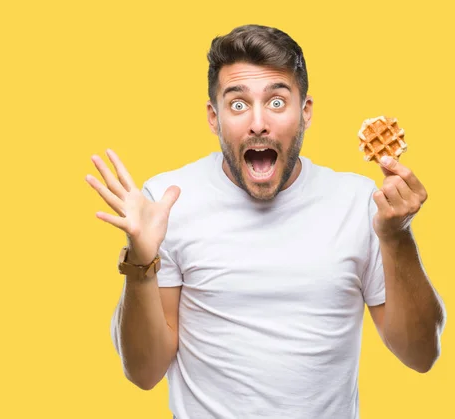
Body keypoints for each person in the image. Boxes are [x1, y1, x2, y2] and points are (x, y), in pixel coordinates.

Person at [85, 24, 446, 419]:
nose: (258, 123)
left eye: (277, 102)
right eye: (238, 104)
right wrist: (140, 264)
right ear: (213, 117)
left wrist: (397, 237)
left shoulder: (359, 202)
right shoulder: (168, 203)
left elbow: (421, 355)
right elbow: (144, 372)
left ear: (305, 112)